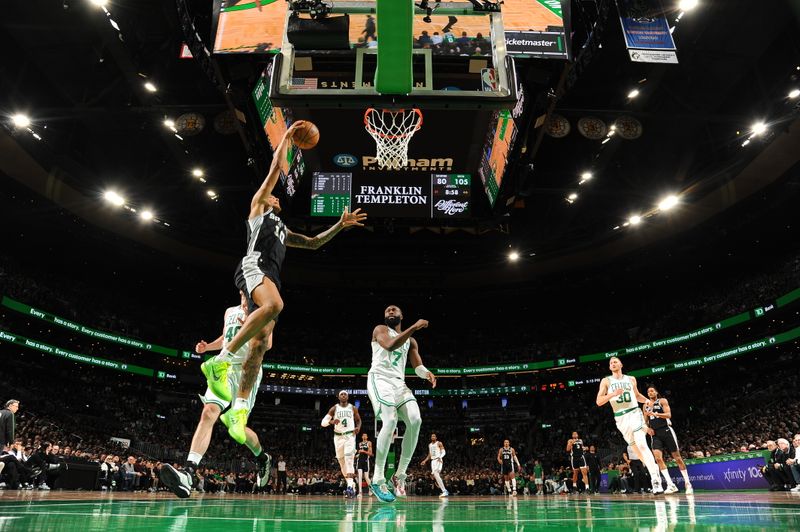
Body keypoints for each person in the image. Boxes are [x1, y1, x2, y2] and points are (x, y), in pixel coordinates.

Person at [201, 121, 368, 445]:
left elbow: (314, 242)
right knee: (275, 305)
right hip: (253, 266)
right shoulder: (258, 210)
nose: (275, 196)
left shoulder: (281, 229)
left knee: (262, 345)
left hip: (270, 274)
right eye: (273, 195)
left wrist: (339, 225)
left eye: (276, 197)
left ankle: (239, 409)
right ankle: (219, 362)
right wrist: (287, 140)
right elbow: (275, 169)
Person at [159, 294, 274, 498]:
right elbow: (225, 338)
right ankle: (189, 472)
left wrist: (251, 326)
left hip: (247, 370)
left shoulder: (264, 308)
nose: (246, 293)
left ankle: (262, 457)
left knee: (236, 428)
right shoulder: (229, 311)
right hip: (226, 368)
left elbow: (267, 344)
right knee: (208, 412)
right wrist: (208, 347)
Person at [367, 305, 437, 502]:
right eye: (387, 310)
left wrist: (427, 373)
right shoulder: (380, 329)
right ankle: (378, 478)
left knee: (415, 420)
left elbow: (417, 366)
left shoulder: (411, 341)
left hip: (399, 384)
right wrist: (414, 326)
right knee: (389, 421)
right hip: (380, 379)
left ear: (401, 316)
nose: (390, 311)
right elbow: (389, 345)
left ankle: (400, 475)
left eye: (394, 310)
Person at [596, 356, 664, 494]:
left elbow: (637, 395)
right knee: (638, 453)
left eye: (615, 361)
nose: (613, 363)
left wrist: (646, 401)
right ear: (609, 367)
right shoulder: (606, 381)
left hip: (634, 413)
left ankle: (656, 480)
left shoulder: (631, 379)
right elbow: (599, 401)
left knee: (642, 444)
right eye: (611, 363)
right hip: (621, 419)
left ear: (621, 364)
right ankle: (654, 469)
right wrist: (612, 394)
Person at [643, 385, 693, 494]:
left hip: (666, 431)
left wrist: (656, 414)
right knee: (658, 458)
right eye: (648, 392)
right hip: (655, 434)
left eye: (652, 391)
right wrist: (647, 429)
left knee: (677, 458)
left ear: (656, 392)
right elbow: (645, 421)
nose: (650, 393)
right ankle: (671, 485)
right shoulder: (645, 405)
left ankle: (688, 483)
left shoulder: (662, 401)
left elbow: (668, 415)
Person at [321, 391, 361, 497]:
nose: (343, 396)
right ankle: (351, 484)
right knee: (341, 462)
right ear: (339, 397)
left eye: (345, 394)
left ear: (347, 397)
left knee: (349, 459)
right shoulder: (334, 408)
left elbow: (358, 420)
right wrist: (331, 422)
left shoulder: (353, 408)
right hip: (338, 437)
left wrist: (358, 427)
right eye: (341, 394)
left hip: (349, 436)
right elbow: (323, 423)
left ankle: (349, 487)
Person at [356, 433, 373, 497]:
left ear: (367, 437)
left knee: (366, 477)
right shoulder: (360, 444)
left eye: (365, 435)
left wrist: (364, 451)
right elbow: (359, 453)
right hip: (359, 461)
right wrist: (357, 455)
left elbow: (371, 454)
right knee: (359, 476)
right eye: (363, 435)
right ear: (361, 437)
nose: (364, 436)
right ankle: (360, 492)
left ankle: (370, 489)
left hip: (366, 461)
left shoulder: (369, 443)